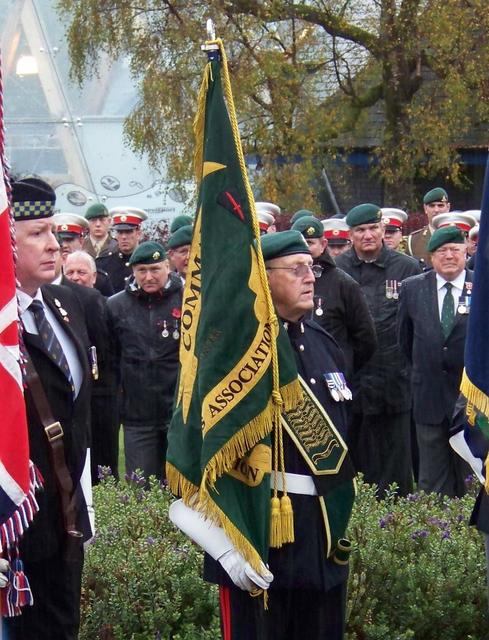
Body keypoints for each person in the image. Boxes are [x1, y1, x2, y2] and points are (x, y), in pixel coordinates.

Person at [170, 230, 355, 640]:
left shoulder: (323, 343)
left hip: (320, 536)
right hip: (258, 533)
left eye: (313, 268)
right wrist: (224, 547)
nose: (310, 277)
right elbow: (197, 453)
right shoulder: (231, 356)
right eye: (296, 269)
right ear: (262, 278)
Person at [5, 177, 93, 640]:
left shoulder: (67, 304)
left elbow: (83, 408)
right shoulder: (4, 325)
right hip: (15, 519)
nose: (53, 244)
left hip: (66, 512)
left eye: (53, 231)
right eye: (36, 233)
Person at [335, 203, 422, 497]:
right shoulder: (339, 270)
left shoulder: (407, 268)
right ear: (351, 235)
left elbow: (414, 327)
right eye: (360, 230)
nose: (368, 235)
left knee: (396, 468)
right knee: (354, 465)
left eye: (373, 228)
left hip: (394, 381)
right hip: (353, 382)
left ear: (384, 230)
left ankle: (395, 528)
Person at [397, 226, 472, 497]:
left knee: (471, 477)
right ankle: (434, 536)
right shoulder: (413, 288)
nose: (449, 256)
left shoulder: (483, 287)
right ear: (431, 256)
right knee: (431, 482)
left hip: (471, 403)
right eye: (442, 251)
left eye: (455, 249)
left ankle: (473, 537)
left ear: (465, 251)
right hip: (428, 398)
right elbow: (405, 341)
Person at [107, 241, 182, 481]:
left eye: (155, 269)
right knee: (142, 491)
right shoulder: (116, 306)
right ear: (133, 272)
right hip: (137, 417)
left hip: (178, 414)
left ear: (167, 267)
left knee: (182, 488)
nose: (148, 277)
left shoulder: (188, 299)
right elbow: (111, 359)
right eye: (141, 271)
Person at [291, 215, 377, 378]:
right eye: (299, 243)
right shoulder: (285, 280)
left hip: (332, 376)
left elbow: (366, 339)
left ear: (323, 244)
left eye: (310, 243)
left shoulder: (343, 284)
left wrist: (344, 364)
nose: (304, 248)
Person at [63, 251, 119, 482]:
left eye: (81, 272)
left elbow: (104, 351)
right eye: (70, 272)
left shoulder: (96, 301)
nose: (76, 277)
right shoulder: (59, 298)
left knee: (103, 460)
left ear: (94, 277)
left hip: (100, 393)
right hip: (74, 395)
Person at [96, 206, 147, 293]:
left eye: (128, 232)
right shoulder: (103, 262)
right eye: (120, 232)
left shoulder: (148, 260)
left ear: (138, 233)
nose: (123, 237)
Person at [406, 187, 450, 267]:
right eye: (432, 206)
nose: (436, 210)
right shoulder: (413, 241)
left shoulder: (460, 236)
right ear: (425, 208)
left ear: (448, 207)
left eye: (440, 205)